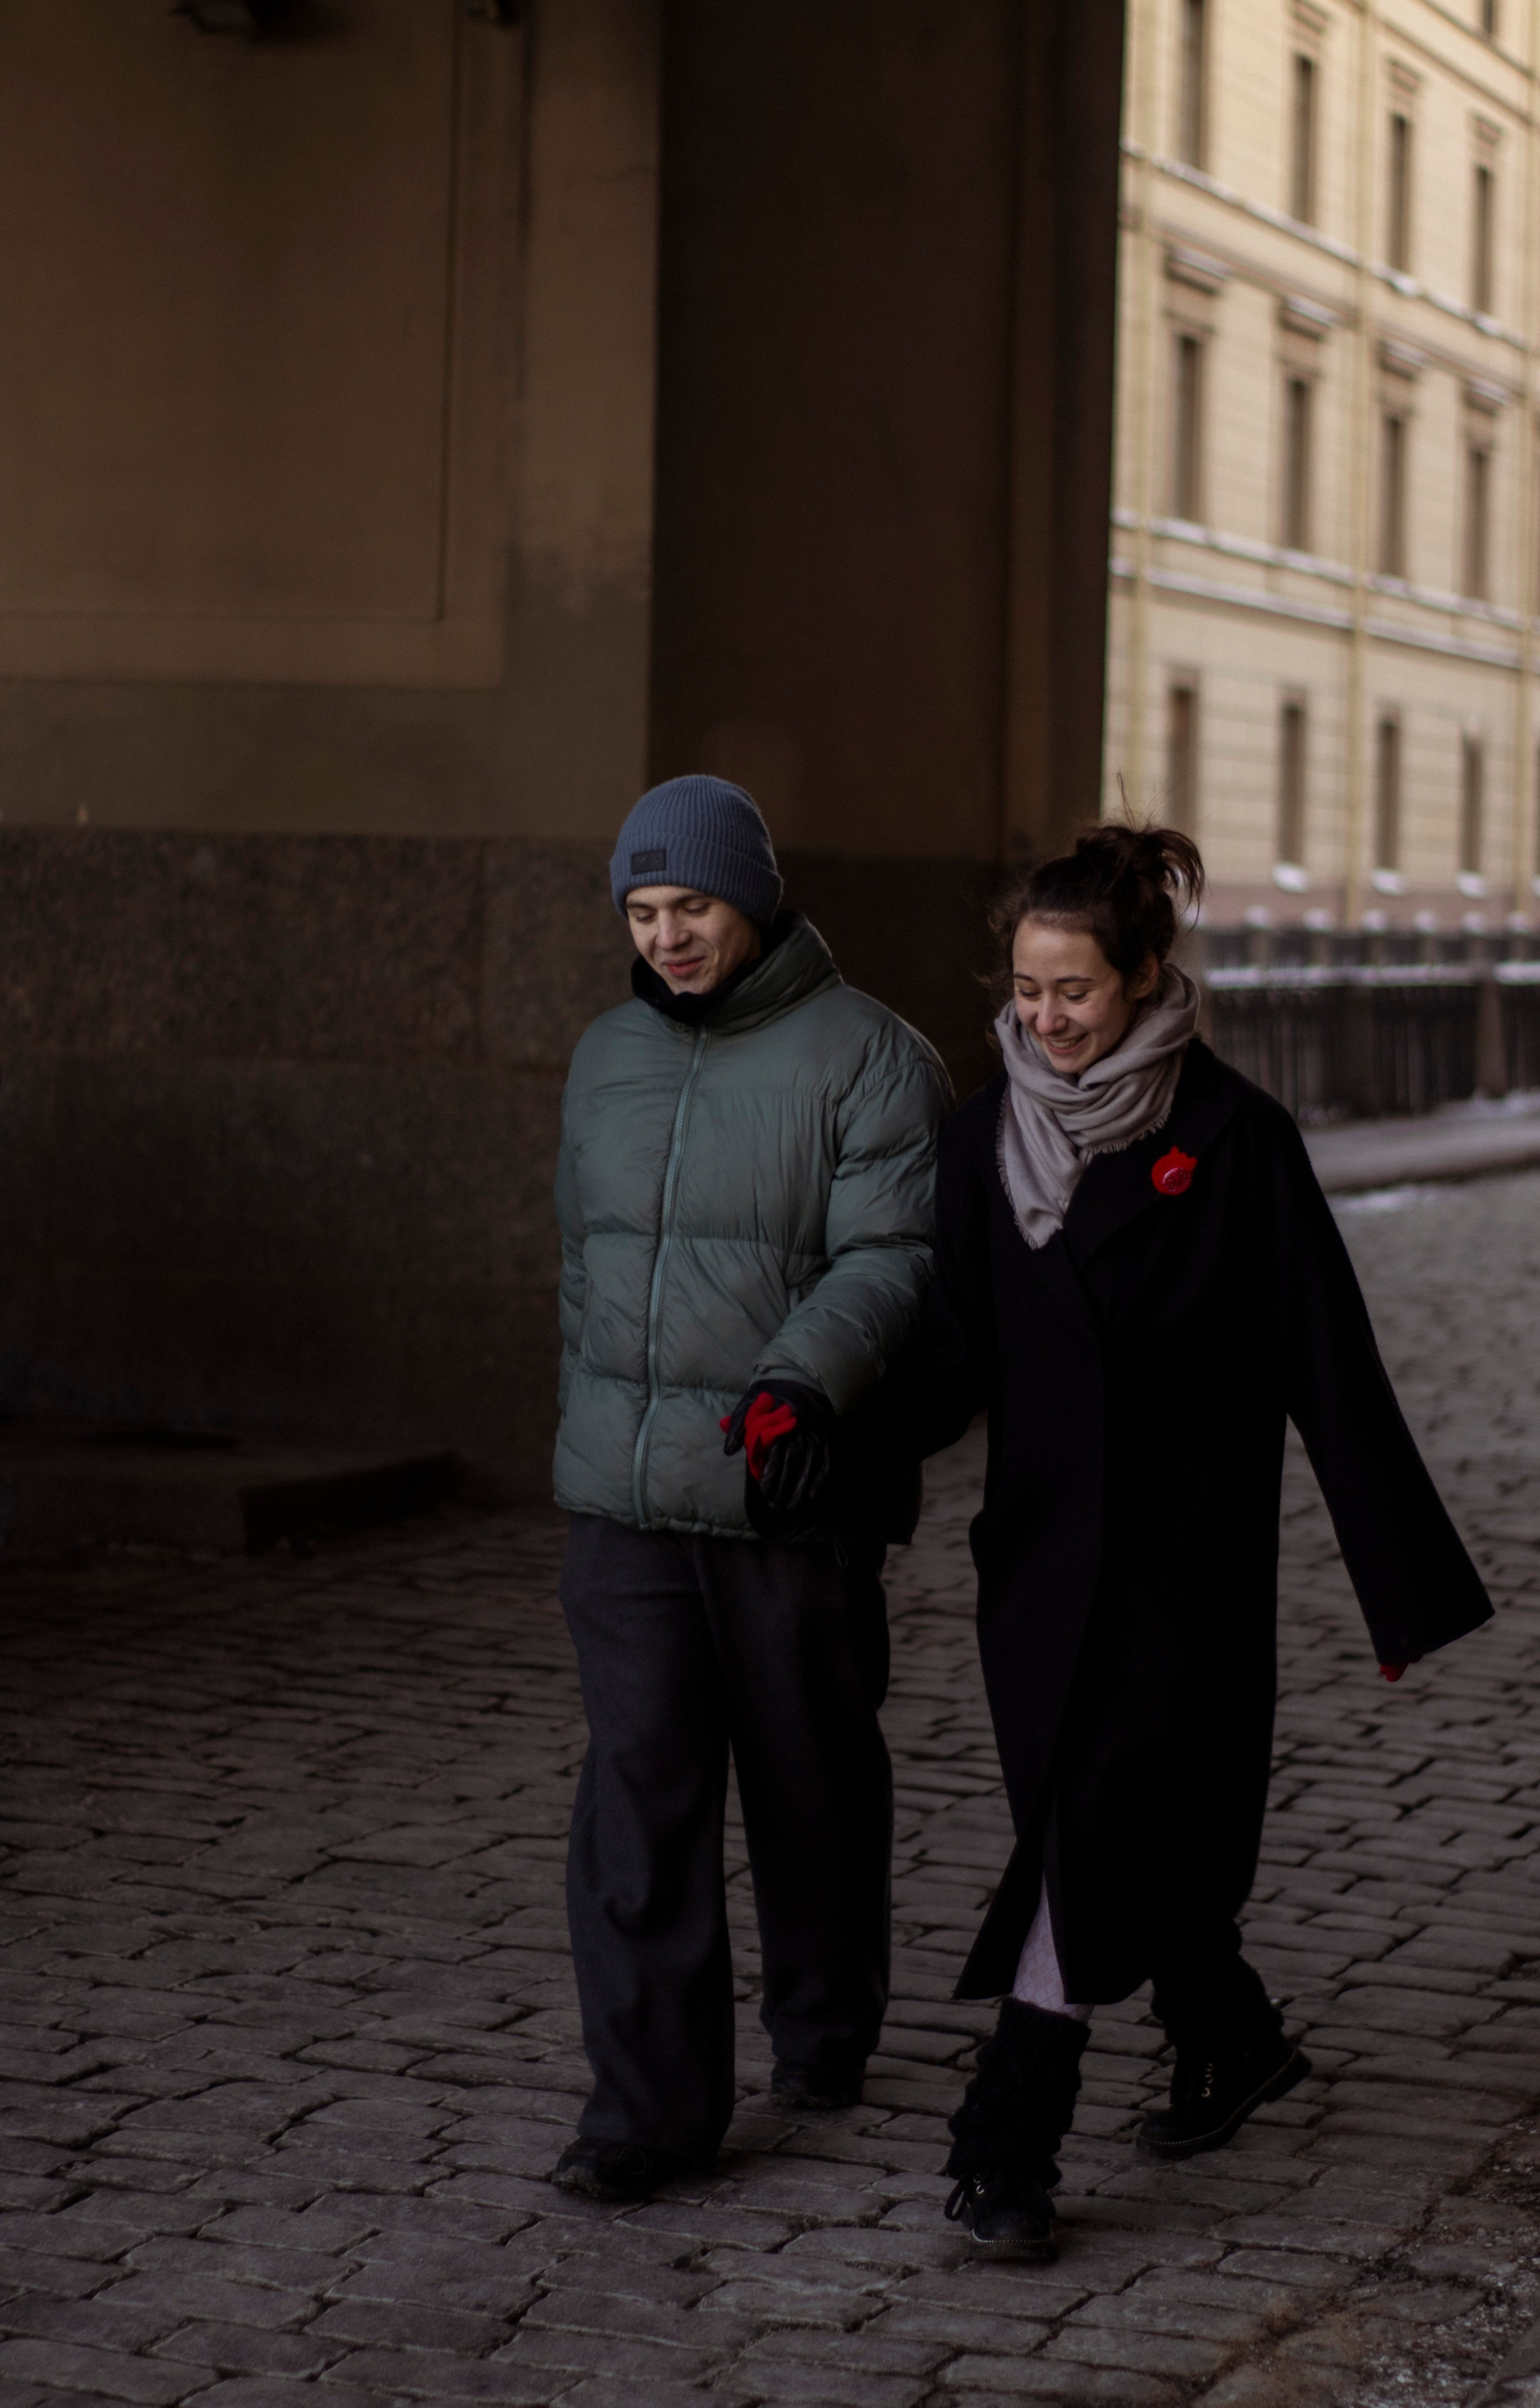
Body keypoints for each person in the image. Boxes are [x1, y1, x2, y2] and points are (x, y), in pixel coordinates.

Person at [900, 823, 1492, 2260]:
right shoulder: (981, 1139)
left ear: (1147, 977)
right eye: (1027, 990)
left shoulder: (1235, 1139)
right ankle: (1229, 2031)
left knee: (1084, 1834)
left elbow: (1329, 1365)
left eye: (1076, 991)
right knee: (1120, 1829)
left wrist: (1400, 1589)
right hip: (1038, 1569)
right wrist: (825, 1441)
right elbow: (950, 1356)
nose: (1047, 1018)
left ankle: (1004, 2147)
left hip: (1183, 1571)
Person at [548, 773, 951, 2201]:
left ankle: (826, 2023)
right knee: (637, 1798)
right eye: (642, 911)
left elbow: (894, 1255)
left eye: (692, 905)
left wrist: (801, 1383)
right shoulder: (605, 1054)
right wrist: (591, 1435)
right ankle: (646, 2114)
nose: (666, 936)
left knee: (809, 1779)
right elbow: (585, 1263)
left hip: (788, 1489)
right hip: (628, 1505)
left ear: (756, 901)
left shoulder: (873, 1056)